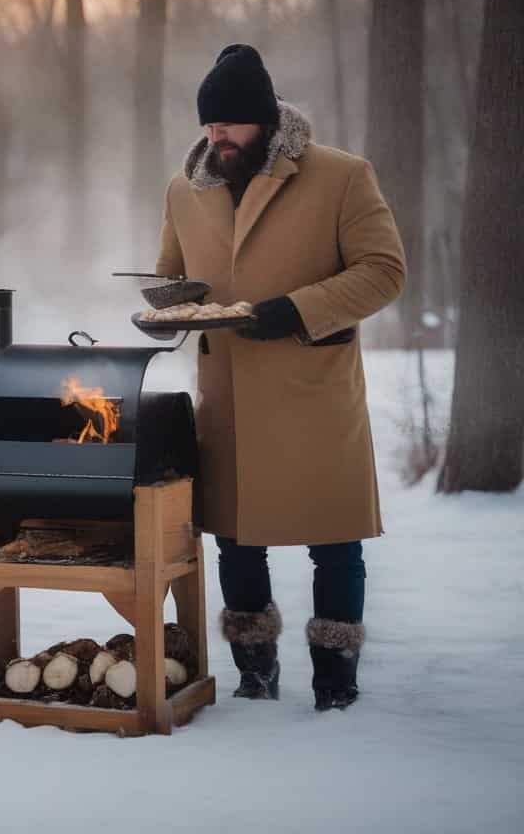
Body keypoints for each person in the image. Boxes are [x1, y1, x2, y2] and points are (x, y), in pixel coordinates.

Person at [155, 44, 406, 711]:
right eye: (209, 125)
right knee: (236, 542)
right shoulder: (187, 186)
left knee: (334, 542)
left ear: (265, 121)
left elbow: (384, 271)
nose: (216, 137)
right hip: (229, 396)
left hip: (312, 392)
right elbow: (174, 276)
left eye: (230, 124)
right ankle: (255, 673)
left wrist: (295, 310)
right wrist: (166, 309)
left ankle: (335, 681)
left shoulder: (341, 177)